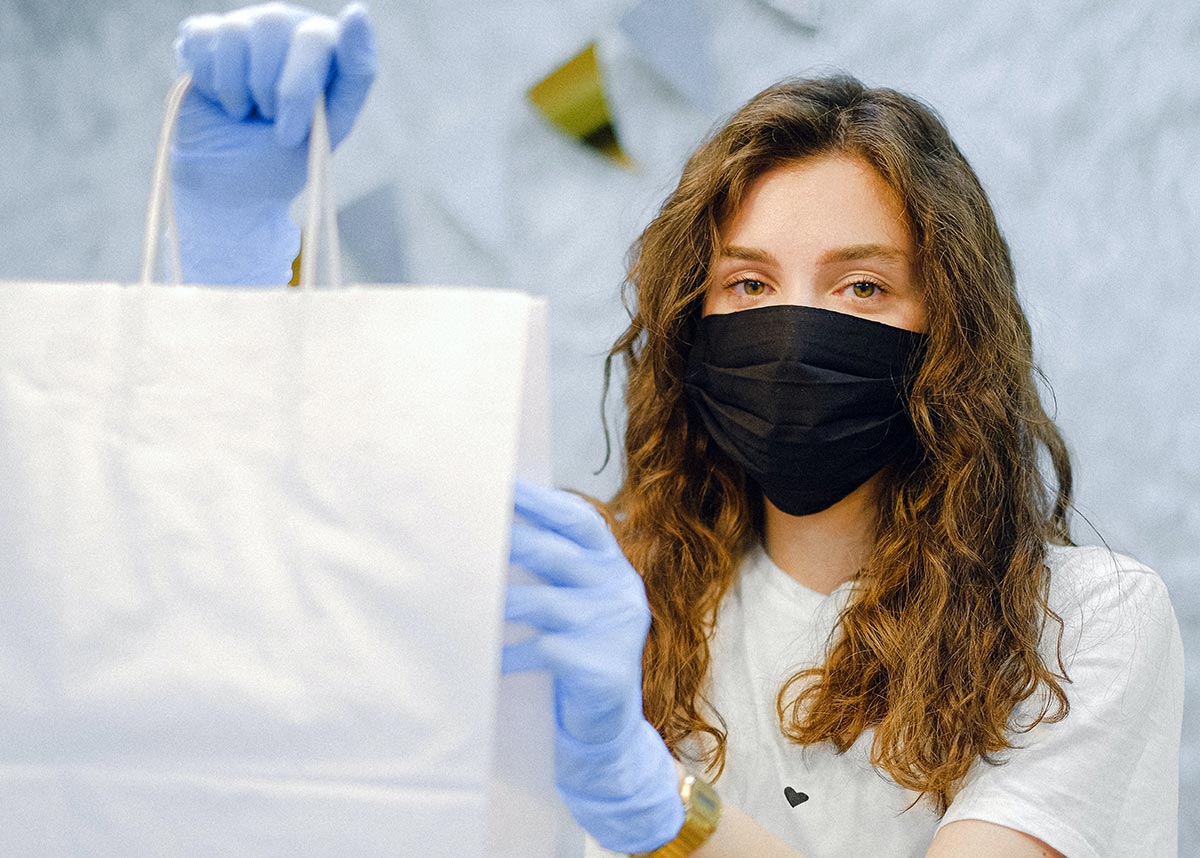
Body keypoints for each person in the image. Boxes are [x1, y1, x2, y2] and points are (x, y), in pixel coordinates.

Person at [170, 5, 1185, 857]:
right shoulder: (605, 591)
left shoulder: (1081, 628)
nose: (791, 331)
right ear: (689, 329)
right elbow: (314, 560)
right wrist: (239, 270)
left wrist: (658, 803)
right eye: (747, 284)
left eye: (861, 285)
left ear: (953, 325)